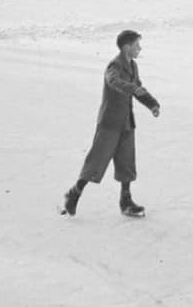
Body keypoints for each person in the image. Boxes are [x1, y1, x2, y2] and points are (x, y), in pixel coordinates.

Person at [60, 30, 161, 219]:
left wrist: (152, 103)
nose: (140, 48)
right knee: (97, 160)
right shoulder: (113, 67)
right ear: (126, 47)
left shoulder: (133, 66)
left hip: (126, 122)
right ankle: (74, 193)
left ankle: (126, 201)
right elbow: (114, 82)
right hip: (110, 122)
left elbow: (138, 87)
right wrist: (134, 89)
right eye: (137, 45)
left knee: (126, 163)